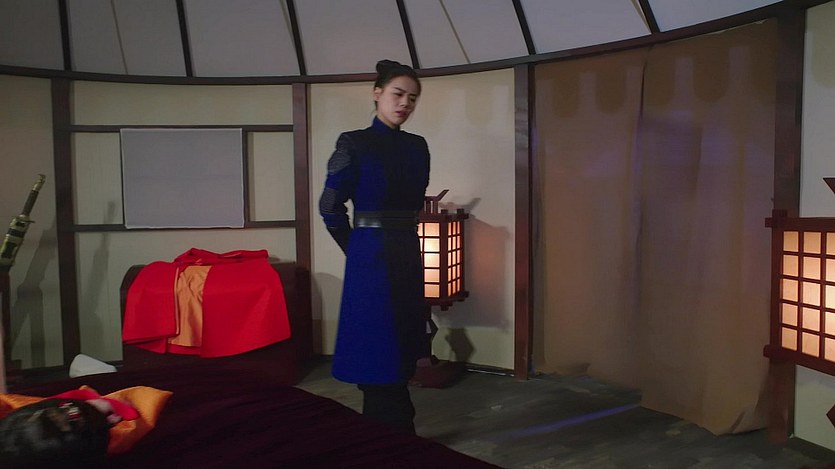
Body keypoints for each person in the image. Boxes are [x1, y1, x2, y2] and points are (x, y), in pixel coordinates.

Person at [319, 59, 430, 434]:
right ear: (377, 93)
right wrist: (356, 249)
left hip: (406, 249)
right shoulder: (354, 142)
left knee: (404, 336)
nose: (405, 103)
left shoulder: (417, 146)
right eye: (398, 94)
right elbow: (330, 206)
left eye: (412, 98)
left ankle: (389, 427)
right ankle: (392, 430)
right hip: (370, 255)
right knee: (377, 342)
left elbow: (414, 202)